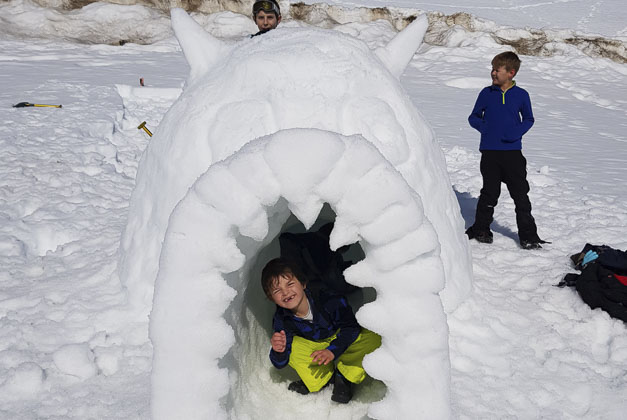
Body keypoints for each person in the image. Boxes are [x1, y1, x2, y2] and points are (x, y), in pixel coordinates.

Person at [261, 258, 381, 404]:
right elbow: (281, 363)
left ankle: (344, 377)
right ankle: (323, 379)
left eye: (290, 284)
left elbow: (350, 328)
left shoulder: (327, 297)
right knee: (291, 346)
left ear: (303, 283)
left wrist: (332, 350)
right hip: (315, 346)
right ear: (271, 298)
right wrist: (279, 351)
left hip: (341, 336)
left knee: (374, 337)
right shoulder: (282, 319)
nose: (286, 292)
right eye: (277, 290)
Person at [465, 51, 546, 250]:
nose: (493, 73)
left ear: (511, 73)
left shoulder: (521, 95)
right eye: (492, 69)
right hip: (490, 152)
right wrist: (486, 129)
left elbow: (529, 119)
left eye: (497, 70)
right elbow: (473, 117)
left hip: (512, 153)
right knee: (489, 193)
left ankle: (528, 236)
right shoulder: (486, 93)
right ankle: (481, 229)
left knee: (520, 195)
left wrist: (514, 133)